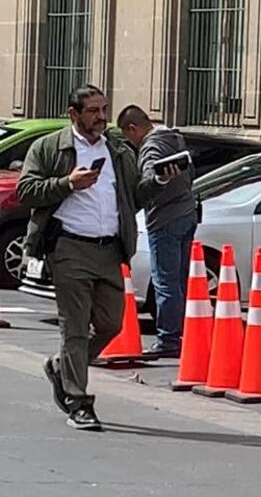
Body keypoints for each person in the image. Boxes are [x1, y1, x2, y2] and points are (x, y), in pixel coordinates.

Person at [17, 85, 183, 431]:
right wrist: (67, 183)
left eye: (104, 109)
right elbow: (26, 191)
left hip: (110, 249)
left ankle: (62, 367)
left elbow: (134, 196)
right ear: (73, 114)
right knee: (74, 328)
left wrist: (159, 181)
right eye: (93, 110)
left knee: (111, 324)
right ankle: (78, 400)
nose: (101, 117)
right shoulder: (50, 147)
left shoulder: (117, 150)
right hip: (69, 248)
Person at [117, 105, 198, 358]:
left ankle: (168, 339)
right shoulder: (175, 139)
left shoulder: (151, 146)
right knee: (179, 280)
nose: (130, 142)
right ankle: (181, 334)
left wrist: (148, 184)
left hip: (165, 218)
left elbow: (150, 179)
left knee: (165, 281)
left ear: (133, 128)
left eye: (127, 136)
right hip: (187, 212)